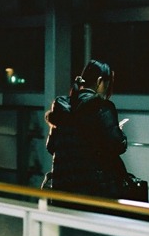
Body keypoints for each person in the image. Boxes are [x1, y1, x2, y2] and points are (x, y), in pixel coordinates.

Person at [43, 59, 128, 213]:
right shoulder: (103, 108)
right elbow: (118, 145)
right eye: (107, 84)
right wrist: (119, 131)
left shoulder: (62, 106)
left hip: (63, 191)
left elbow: (51, 146)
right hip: (94, 194)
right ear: (100, 81)